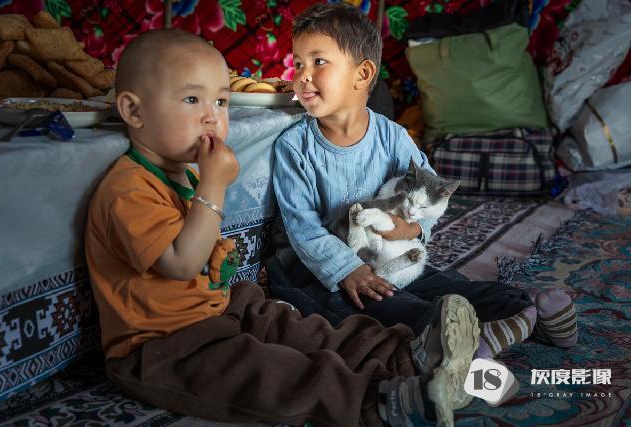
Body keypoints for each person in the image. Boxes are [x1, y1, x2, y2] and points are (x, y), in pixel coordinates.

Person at [85, 28, 483, 427]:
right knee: (270, 370)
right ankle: (381, 401)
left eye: (221, 101)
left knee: (297, 326)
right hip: (164, 345)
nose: (212, 116)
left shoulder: (181, 175)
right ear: (133, 111)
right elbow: (182, 264)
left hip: (216, 308)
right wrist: (212, 187)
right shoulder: (129, 190)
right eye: (192, 100)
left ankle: (406, 354)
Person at [268, 2, 578, 360]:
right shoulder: (295, 147)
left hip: (389, 256)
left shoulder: (392, 137)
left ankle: (526, 311)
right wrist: (349, 270)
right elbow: (304, 229)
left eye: (318, 62)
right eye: (298, 63)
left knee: (449, 285)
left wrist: (413, 230)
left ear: (362, 73)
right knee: (382, 306)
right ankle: (460, 334)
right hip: (330, 269)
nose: (303, 75)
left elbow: (433, 195)